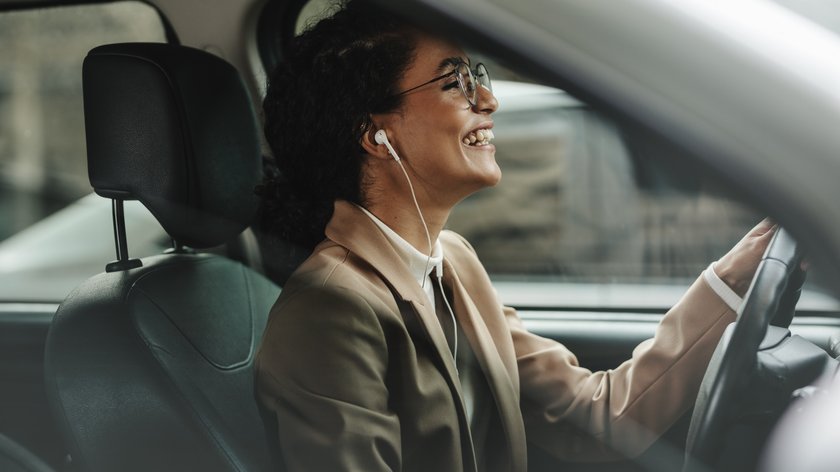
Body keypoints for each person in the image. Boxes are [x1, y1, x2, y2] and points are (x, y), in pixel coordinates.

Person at [253, 2, 775, 471]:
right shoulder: (329, 308)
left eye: (476, 74)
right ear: (375, 135)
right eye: (454, 81)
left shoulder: (453, 262)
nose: (489, 99)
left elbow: (598, 417)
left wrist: (732, 281)